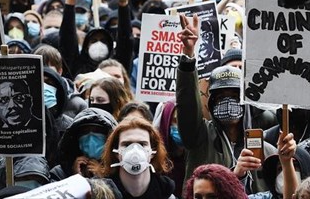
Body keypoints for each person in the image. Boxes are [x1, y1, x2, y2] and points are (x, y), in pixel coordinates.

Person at [176, 14, 276, 194]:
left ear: (245, 102)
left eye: (234, 96)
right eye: (221, 96)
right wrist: (188, 56)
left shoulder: (265, 150)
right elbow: (187, 104)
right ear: (211, 102)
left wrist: (286, 160)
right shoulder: (200, 137)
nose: (228, 102)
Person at [99, 117, 175, 199]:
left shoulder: (165, 190)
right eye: (127, 144)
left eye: (142, 144)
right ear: (116, 152)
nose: (135, 151)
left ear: (153, 151)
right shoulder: (102, 190)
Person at [50, 108, 117, 181]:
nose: (91, 137)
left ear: (110, 137)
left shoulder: (120, 172)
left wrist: (104, 177)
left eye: (97, 131)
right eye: (85, 132)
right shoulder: (59, 173)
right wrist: (76, 179)